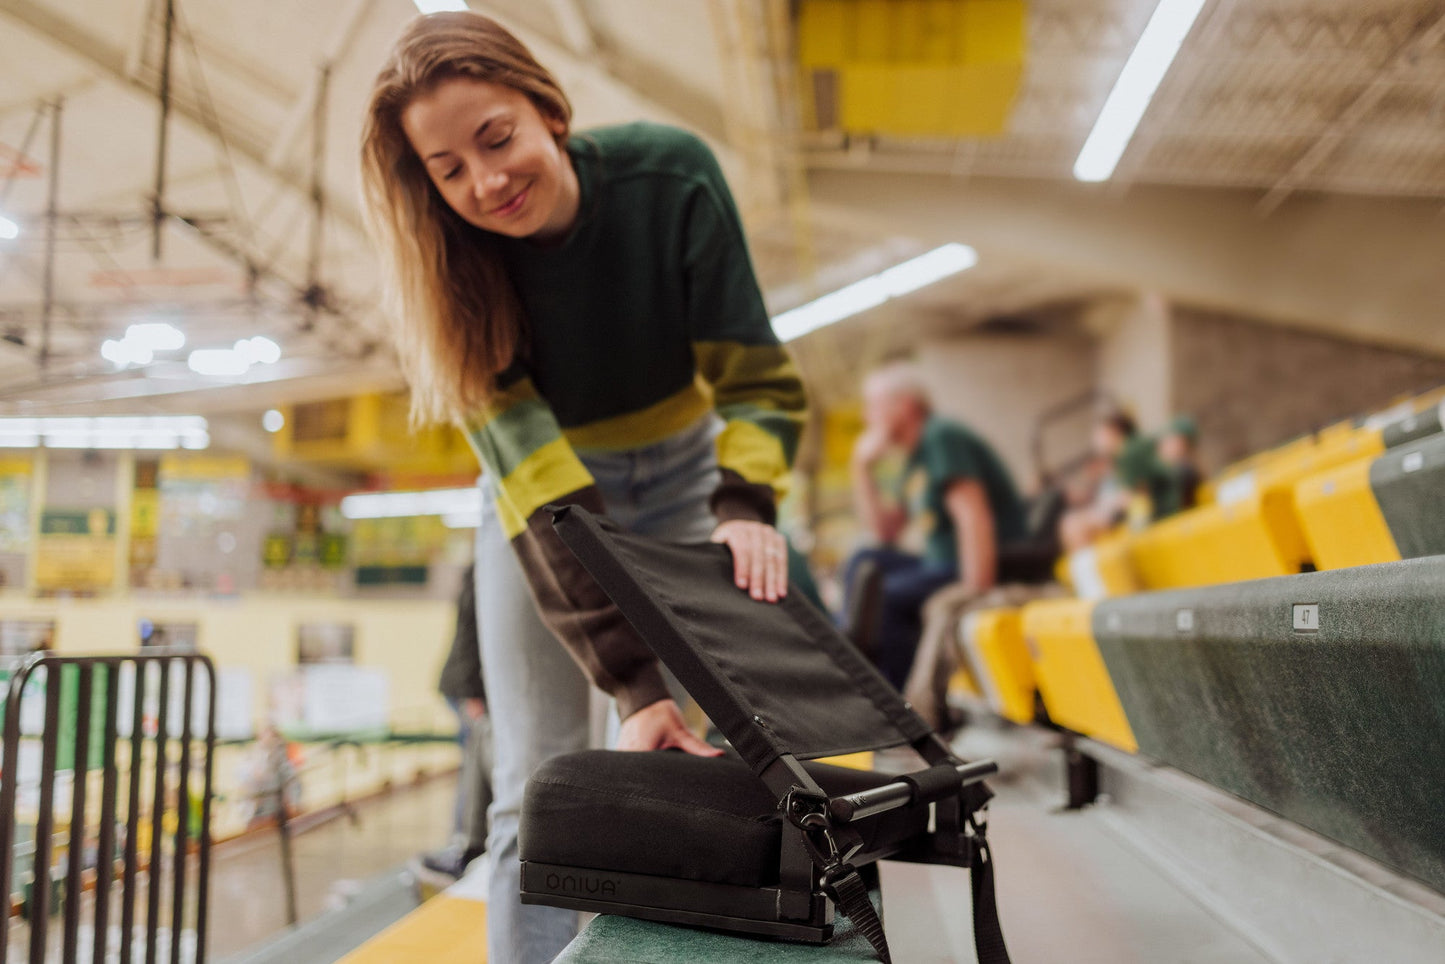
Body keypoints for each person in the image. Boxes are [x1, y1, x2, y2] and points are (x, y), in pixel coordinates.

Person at [361, 14, 807, 961]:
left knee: (695, 762)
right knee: (540, 780)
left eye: (497, 138)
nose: (485, 182)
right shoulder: (454, 279)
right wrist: (632, 681)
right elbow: (546, 493)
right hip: (538, 501)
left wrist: (744, 505)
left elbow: (756, 381)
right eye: (448, 170)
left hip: (687, 470)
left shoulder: (670, 177)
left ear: (549, 111)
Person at [844, 361, 1028, 690]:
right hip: (940, 563)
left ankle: (894, 704)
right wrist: (862, 469)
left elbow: (974, 516)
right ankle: (850, 669)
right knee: (865, 560)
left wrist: (975, 592)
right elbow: (885, 532)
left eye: (874, 405)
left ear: (906, 405)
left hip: (982, 563)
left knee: (887, 597)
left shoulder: (941, 436)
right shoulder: (915, 457)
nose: (866, 417)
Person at [420, 562, 492, 880]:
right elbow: (472, 633)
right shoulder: (484, 571)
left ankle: (467, 845)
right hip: (469, 688)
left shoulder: (481, 568)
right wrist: (473, 693)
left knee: (476, 766)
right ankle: (463, 847)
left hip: (468, 685)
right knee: (474, 767)